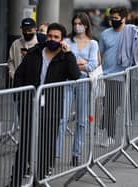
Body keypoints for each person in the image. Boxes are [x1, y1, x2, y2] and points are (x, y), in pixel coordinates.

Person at [10, 23, 80, 186]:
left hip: (51, 108)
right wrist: (19, 98)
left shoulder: (65, 57)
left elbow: (75, 75)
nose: (52, 39)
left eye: (56, 37)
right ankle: (15, 180)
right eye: (50, 36)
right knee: (25, 144)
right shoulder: (35, 52)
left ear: (62, 40)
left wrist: (69, 53)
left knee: (47, 144)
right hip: (30, 106)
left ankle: (39, 180)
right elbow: (19, 75)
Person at [99, 6, 138, 146]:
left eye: (116, 18)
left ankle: (126, 136)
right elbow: (101, 54)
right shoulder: (105, 34)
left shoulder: (132, 31)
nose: (113, 21)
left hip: (126, 75)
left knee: (124, 107)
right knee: (110, 107)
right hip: (110, 76)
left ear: (124, 18)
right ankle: (110, 135)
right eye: (112, 18)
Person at [57, 12, 99, 166]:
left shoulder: (93, 43)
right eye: (74, 23)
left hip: (83, 81)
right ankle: (57, 153)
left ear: (86, 25)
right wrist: (79, 63)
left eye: (80, 24)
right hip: (68, 80)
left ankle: (76, 153)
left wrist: (75, 63)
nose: (76, 26)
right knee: (62, 117)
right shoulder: (67, 41)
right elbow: (63, 61)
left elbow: (93, 65)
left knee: (82, 120)